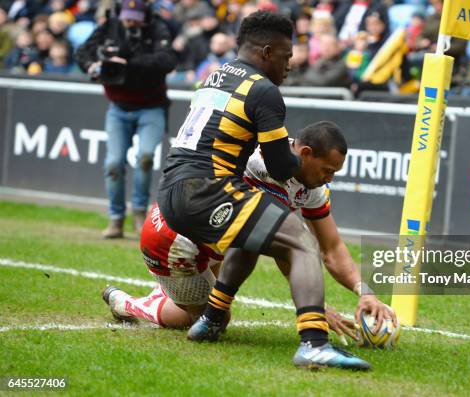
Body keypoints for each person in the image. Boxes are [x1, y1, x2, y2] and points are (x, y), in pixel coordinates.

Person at [155, 11, 371, 370]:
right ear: (268, 52)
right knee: (300, 239)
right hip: (206, 188)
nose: (289, 65)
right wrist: (296, 163)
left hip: (172, 190)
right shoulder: (264, 91)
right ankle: (314, 343)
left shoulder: (216, 75)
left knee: (257, 230)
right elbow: (279, 165)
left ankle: (211, 316)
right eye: (286, 57)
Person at [103, 121, 395, 337]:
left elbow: (332, 248)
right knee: (207, 318)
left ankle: (177, 289)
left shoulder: (311, 185)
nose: (329, 179)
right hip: (172, 239)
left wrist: (365, 292)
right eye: (327, 171)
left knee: (248, 244)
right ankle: (130, 304)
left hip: (214, 239)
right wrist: (313, 307)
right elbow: (286, 248)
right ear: (305, 153)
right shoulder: (261, 164)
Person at [76, 0, 177, 238]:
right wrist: (91, 66)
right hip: (118, 107)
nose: (131, 21)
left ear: (145, 15)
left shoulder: (158, 28)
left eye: (136, 17)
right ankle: (116, 218)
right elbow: (82, 52)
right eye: (127, 16)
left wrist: (128, 65)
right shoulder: (109, 26)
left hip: (151, 107)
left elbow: (167, 61)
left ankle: (139, 211)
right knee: (113, 163)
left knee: (145, 157)